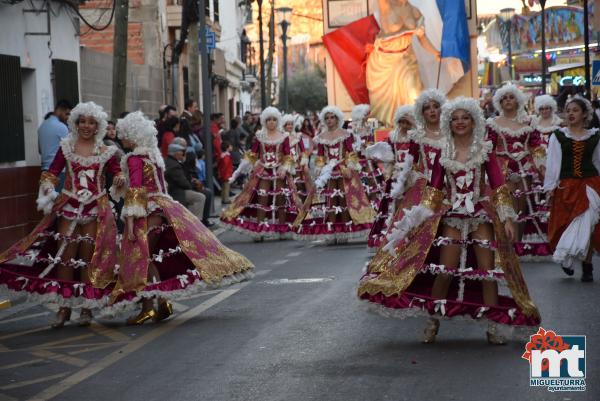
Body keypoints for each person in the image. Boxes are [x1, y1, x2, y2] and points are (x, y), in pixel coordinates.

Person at [358, 97, 541, 344]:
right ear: (449, 123)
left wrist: (507, 218)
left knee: (487, 272)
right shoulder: (444, 153)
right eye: (455, 119)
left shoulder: (485, 150)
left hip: (480, 215)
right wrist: (417, 219)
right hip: (452, 216)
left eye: (465, 118)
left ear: (474, 120)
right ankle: (432, 321)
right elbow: (433, 191)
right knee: (445, 271)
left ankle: (492, 325)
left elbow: (498, 187)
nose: (460, 122)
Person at [108, 111, 254, 322]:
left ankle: (149, 306)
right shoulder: (152, 156)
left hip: (147, 210)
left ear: (133, 135)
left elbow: (137, 191)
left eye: (123, 134)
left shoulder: (134, 159)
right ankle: (161, 301)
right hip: (164, 208)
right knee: (152, 256)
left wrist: (130, 222)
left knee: (143, 258)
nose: (121, 138)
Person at [0, 102, 125, 327]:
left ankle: (87, 308)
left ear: (98, 126)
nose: (86, 126)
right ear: (76, 123)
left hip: (95, 209)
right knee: (65, 258)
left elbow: (117, 172)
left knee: (88, 259)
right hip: (68, 208)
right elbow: (52, 172)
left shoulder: (107, 151)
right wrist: (48, 187)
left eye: (91, 122)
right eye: (82, 121)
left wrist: (119, 179)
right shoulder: (66, 146)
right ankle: (64, 308)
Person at [293, 106, 376, 244]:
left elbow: (350, 153)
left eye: (332, 117)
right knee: (331, 202)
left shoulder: (345, 134)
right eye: (327, 118)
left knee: (345, 201)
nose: (329, 120)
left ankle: (344, 231)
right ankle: (331, 232)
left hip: (344, 171)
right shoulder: (320, 137)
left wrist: (350, 167)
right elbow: (320, 156)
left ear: (337, 118)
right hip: (329, 173)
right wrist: (319, 167)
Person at [487, 84, 549, 260]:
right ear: (499, 102)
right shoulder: (493, 123)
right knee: (506, 206)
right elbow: (488, 148)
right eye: (504, 98)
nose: (508, 100)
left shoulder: (529, 121)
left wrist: (541, 165)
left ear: (518, 100)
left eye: (511, 97)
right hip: (502, 170)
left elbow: (536, 145)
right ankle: (506, 245)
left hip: (524, 168)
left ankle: (518, 246)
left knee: (522, 207)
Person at [221, 107, 301, 240]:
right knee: (262, 198)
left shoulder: (284, 136)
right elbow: (252, 155)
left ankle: (281, 229)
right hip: (263, 170)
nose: (271, 122)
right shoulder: (260, 136)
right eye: (268, 119)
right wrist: (237, 172)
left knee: (281, 199)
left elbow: (288, 156)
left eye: (274, 119)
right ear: (264, 120)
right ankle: (259, 230)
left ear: (278, 121)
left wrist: (285, 168)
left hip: (279, 171)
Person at [543, 95, 600, 282]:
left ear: (585, 114)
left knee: (589, 224)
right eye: (568, 111)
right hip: (567, 185)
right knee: (567, 225)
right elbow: (553, 163)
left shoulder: (595, 136)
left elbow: (597, 162)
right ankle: (566, 257)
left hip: (590, 184)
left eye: (575, 110)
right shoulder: (558, 136)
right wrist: (550, 187)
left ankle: (588, 264)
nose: (570, 114)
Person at [365, 105, 415, 249]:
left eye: (408, 122)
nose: (404, 125)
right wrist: (383, 162)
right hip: (397, 176)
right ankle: (397, 235)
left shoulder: (416, 137)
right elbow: (390, 157)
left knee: (411, 205)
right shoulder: (393, 138)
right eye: (402, 122)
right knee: (396, 206)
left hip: (412, 175)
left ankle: (411, 234)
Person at [164, 140, 206, 222]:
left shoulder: (169, 161)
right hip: (176, 192)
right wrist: (194, 185)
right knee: (200, 197)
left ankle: (192, 220)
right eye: (182, 152)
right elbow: (184, 184)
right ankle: (195, 223)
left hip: (174, 190)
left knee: (201, 193)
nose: (184, 154)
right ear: (176, 153)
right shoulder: (174, 165)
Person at [38, 100, 72, 190]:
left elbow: (40, 150)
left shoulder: (42, 126)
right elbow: (70, 151)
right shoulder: (62, 127)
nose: (68, 118)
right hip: (59, 172)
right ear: (60, 110)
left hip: (44, 171)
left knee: (47, 202)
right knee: (59, 203)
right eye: (67, 114)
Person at [282, 114, 313, 202]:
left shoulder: (298, 136)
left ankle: (301, 206)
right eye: (288, 124)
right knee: (287, 186)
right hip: (285, 165)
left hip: (297, 165)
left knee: (299, 185)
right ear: (284, 125)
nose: (290, 126)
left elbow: (303, 151)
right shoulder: (281, 137)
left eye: (291, 124)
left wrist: (304, 162)